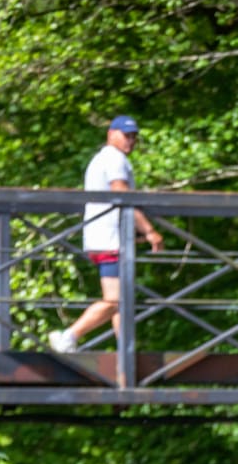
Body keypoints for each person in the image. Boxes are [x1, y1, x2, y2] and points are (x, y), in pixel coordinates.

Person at [49, 115, 164, 353]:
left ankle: (126, 353)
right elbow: (121, 194)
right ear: (111, 134)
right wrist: (150, 231)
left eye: (134, 137)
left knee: (121, 302)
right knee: (114, 300)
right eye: (126, 135)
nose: (130, 141)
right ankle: (68, 337)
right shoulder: (114, 158)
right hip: (110, 241)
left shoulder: (101, 159)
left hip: (101, 238)